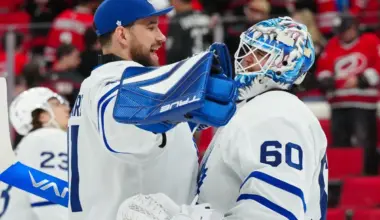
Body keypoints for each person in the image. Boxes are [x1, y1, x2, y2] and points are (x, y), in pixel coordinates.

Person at [117, 17, 328, 220]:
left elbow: (273, 213)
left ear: (285, 63)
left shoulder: (277, 111)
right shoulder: (257, 109)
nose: (246, 58)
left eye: (260, 53)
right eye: (248, 49)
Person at [67, 0, 237, 219]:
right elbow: (122, 125)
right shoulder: (112, 82)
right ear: (122, 34)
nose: (161, 36)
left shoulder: (102, 83)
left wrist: (187, 113)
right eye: (150, 27)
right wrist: (170, 110)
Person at [316, 13, 380, 175]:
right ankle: (340, 182)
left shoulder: (370, 41)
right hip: (338, 104)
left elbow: (377, 66)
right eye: (339, 31)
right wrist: (331, 82)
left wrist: (360, 80)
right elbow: (322, 72)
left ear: (354, 28)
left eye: (345, 30)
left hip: (363, 104)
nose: (342, 34)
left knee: (364, 143)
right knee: (340, 146)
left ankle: (366, 180)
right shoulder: (332, 44)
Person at [1, 87, 70, 220]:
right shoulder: (47, 137)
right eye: (56, 104)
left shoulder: (30, 145)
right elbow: (51, 202)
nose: (66, 108)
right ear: (43, 116)